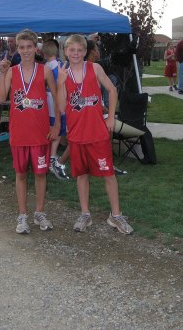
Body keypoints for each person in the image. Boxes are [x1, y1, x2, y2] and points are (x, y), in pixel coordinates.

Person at [57, 34, 133, 234]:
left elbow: (112, 90)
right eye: (71, 50)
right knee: (82, 175)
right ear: (65, 51)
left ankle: (115, 216)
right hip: (76, 133)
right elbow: (61, 107)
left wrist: (111, 116)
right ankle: (85, 214)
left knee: (108, 174)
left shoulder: (95, 68)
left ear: (85, 52)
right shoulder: (63, 73)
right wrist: (60, 82)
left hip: (97, 132)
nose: (75, 54)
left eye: (79, 50)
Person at [0, 29, 60, 235]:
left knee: (41, 175)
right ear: (17, 48)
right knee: (21, 174)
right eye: (21, 47)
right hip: (19, 133)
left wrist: (56, 124)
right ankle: (23, 214)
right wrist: (2, 74)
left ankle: (39, 212)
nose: (25, 51)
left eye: (29, 47)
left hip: (40, 132)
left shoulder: (45, 71)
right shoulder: (12, 71)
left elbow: (57, 97)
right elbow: (0, 98)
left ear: (36, 47)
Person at [42, 40, 70, 181]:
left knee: (51, 128)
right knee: (57, 130)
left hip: (47, 100)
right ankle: (52, 156)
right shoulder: (58, 66)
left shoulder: (44, 66)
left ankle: (49, 155)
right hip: (56, 100)